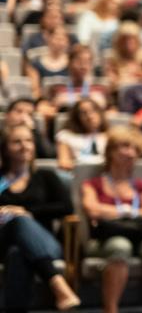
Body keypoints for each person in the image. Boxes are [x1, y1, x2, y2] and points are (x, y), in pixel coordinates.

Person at [81, 125, 142, 313]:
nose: (131, 153)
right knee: (119, 246)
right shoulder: (93, 183)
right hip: (105, 238)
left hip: (140, 236)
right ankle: (111, 309)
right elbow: (92, 209)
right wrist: (130, 210)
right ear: (110, 151)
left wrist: (114, 212)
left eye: (135, 149)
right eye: (125, 146)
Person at [0, 123, 80, 312]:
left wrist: (28, 212)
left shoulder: (45, 176)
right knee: (16, 243)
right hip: (2, 241)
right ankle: (58, 285)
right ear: (5, 147)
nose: (24, 146)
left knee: (18, 250)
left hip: (45, 242)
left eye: (28, 140)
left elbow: (66, 207)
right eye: (16, 142)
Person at [56, 98, 109, 171]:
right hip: (78, 174)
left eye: (93, 111)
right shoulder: (66, 136)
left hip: (104, 176)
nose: (90, 116)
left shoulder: (110, 136)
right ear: (77, 117)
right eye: (84, 113)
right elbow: (64, 162)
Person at [26, 25, 70, 99]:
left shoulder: (73, 63)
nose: (60, 42)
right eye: (57, 38)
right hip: (44, 102)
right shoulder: (35, 64)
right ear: (48, 38)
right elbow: (35, 90)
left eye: (63, 38)